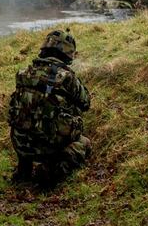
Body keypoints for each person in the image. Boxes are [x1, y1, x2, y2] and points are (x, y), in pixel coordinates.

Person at [7, 29, 91, 185]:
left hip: (20, 144)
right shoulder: (66, 77)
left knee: (27, 120)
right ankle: (52, 170)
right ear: (67, 52)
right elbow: (85, 103)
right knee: (84, 143)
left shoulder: (23, 73)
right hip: (49, 146)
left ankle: (23, 168)